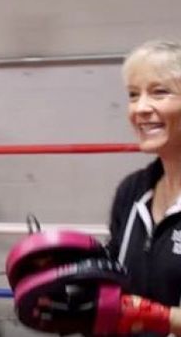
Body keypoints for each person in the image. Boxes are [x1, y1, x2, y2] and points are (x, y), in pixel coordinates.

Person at [106, 39, 181, 336]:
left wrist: (162, 318)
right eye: (133, 95)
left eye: (159, 92)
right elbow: (113, 276)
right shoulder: (133, 191)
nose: (140, 108)